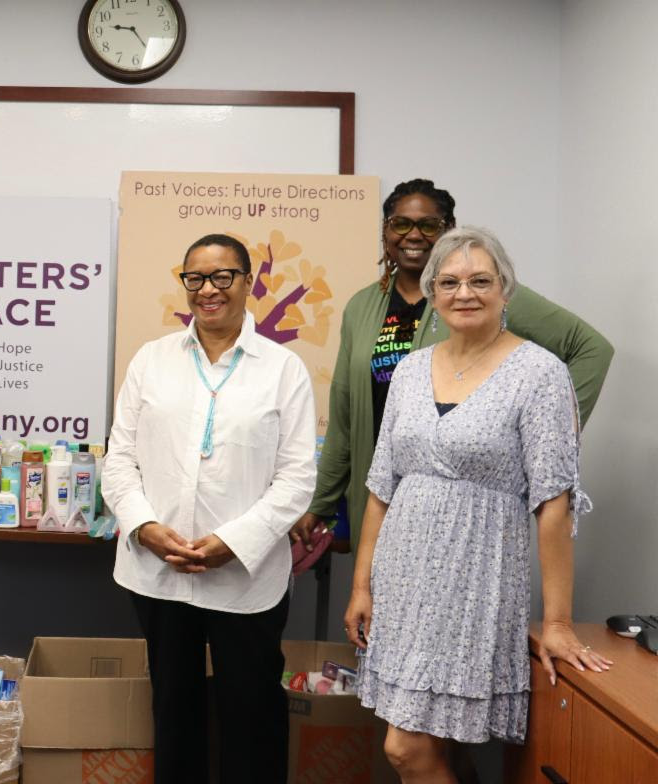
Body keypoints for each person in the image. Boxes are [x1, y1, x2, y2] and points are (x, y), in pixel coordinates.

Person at [344, 226, 612, 782]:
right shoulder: (412, 370)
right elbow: (380, 487)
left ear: (505, 290)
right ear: (434, 293)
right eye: (449, 282)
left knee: (406, 750)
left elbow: (555, 503)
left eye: (480, 280)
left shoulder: (540, 374)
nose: (464, 292)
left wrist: (558, 622)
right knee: (440, 749)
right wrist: (362, 586)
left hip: (474, 585)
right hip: (402, 584)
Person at [293, 179, 613, 551]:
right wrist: (321, 502)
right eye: (401, 224)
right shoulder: (361, 306)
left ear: (448, 230)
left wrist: (547, 436)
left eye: (428, 225)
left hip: (464, 507)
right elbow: (344, 417)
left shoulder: (482, 292)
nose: (414, 235)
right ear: (385, 230)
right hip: (384, 496)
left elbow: (591, 349)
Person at [102, 233, 317, 783]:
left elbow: (296, 480)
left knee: (252, 713)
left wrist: (234, 543)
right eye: (194, 278)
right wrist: (145, 527)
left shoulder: (282, 368)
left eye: (222, 276)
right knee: (174, 709)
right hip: (158, 571)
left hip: (245, 578)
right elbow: (118, 461)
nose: (208, 290)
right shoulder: (152, 361)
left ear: (247, 283)